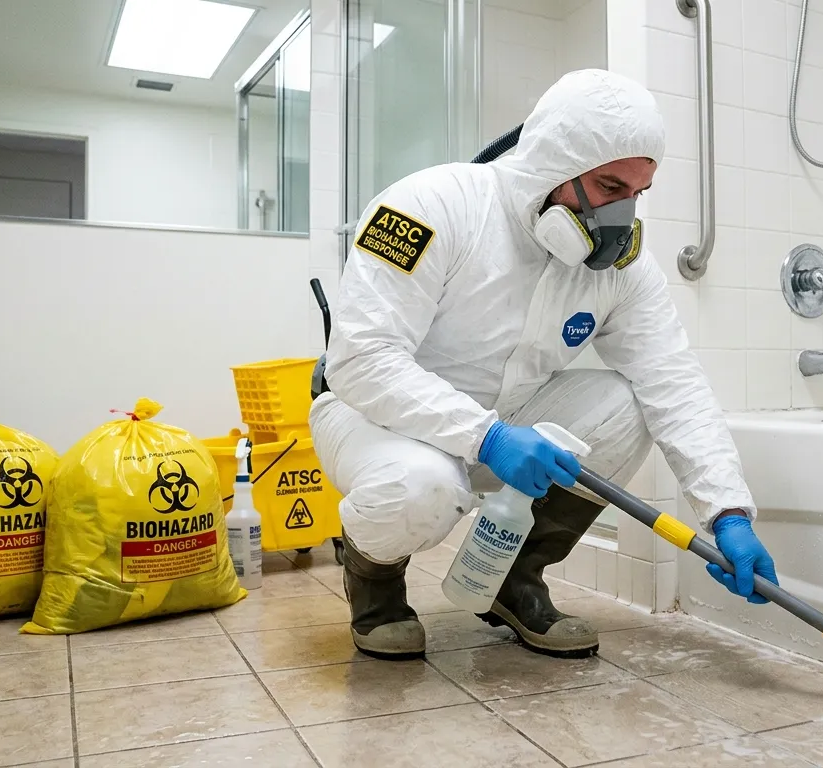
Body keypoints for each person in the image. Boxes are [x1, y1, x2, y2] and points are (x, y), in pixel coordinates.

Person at [309, 69, 779, 661]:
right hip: (376, 418)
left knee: (631, 404)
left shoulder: (622, 270)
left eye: (638, 192)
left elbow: (674, 382)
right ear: (554, 164)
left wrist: (726, 511)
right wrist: (487, 436)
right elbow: (360, 360)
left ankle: (511, 579)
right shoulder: (429, 208)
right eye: (611, 186)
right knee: (419, 489)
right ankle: (374, 584)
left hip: (506, 425)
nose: (624, 213)